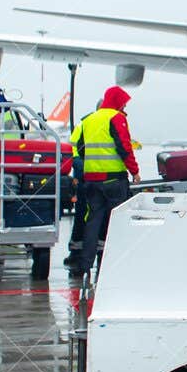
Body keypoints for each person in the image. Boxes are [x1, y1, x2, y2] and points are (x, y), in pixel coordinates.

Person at [65, 87, 140, 276]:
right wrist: (135, 171)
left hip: (91, 180)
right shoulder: (116, 118)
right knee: (116, 221)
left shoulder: (89, 120)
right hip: (114, 179)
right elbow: (124, 148)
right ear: (116, 101)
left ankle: (85, 264)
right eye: (123, 102)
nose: (124, 106)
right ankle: (113, 263)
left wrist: (90, 166)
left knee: (93, 220)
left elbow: (79, 150)